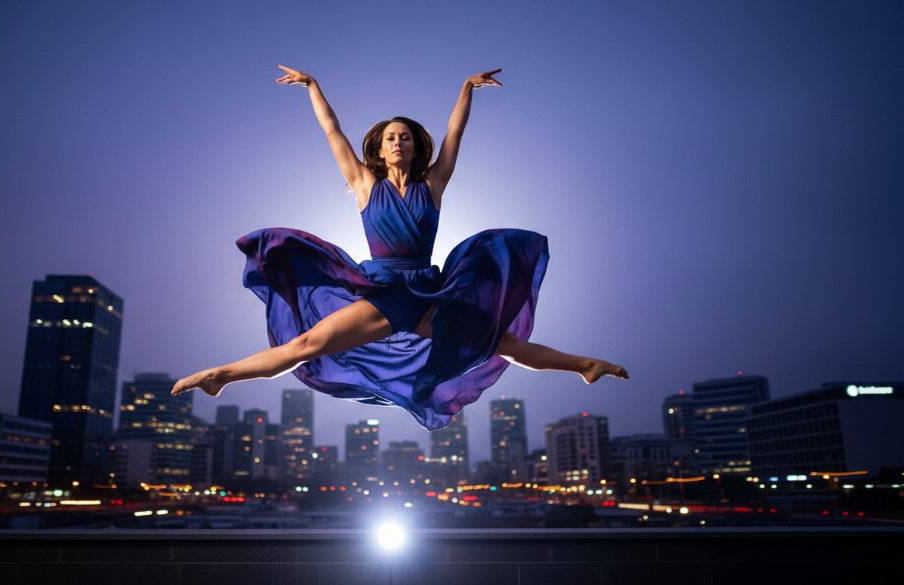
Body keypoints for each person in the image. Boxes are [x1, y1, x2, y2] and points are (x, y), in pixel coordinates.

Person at [170, 65, 628, 431]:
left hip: (428, 295)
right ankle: (220, 376)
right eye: (390, 137)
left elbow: (454, 136)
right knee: (306, 345)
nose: (398, 142)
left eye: (405, 137)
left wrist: (466, 89)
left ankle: (585, 365)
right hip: (383, 293)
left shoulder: (433, 184)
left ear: (414, 147)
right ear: (379, 148)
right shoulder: (364, 184)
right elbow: (333, 133)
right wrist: (312, 86)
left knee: (502, 343)